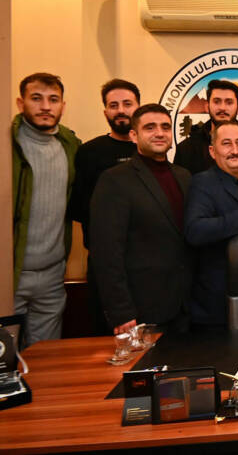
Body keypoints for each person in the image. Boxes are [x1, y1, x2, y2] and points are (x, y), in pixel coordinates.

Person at [90, 104, 192, 334]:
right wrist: (121, 311)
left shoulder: (184, 176)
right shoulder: (115, 180)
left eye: (165, 127)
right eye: (150, 127)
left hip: (186, 306)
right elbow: (106, 252)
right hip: (142, 309)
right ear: (134, 135)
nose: (159, 133)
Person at [12, 73, 81, 346]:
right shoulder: (8, 145)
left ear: (63, 106)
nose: (45, 107)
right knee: (6, 359)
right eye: (36, 98)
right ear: (21, 103)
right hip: (10, 274)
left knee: (46, 357)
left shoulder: (70, 146)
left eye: (53, 100)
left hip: (53, 274)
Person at [184, 121, 238, 328]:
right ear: (212, 151)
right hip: (218, 299)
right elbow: (194, 230)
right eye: (226, 144)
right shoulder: (202, 183)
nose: (234, 150)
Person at [70, 79, 139, 335]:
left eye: (127, 104)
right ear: (105, 111)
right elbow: (80, 209)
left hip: (146, 265)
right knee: (108, 336)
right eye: (114, 105)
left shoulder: (150, 150)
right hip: (104, 263)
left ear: (138, 107)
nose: (121, 110)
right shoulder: (89, 152)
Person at [174, 79, 238, 175]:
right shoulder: (186, 149)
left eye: (229, 102)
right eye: (216, 102)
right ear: (207, 107)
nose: (222, 108)